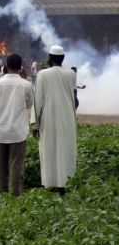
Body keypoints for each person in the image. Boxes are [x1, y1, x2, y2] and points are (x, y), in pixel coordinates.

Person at [31, 45, 77, 195]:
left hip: (48, 118)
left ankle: (50, 185)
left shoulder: (43, 74)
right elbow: (74, 99)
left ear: (49, 58)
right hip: (67, 118)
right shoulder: (71, 74)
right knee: (65, 149)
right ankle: (64, 185)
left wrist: (35, 124)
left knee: (49, 149)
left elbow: (38, 100)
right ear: (63, 58)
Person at [0, 54, 34, 196]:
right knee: (17, 166)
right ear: (21, 68)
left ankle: (3, 193)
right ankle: (16, 194)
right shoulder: (26, 85)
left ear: (6, 67)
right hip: (18, 132)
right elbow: (30, 104)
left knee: (2, 166)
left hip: (1, 132)